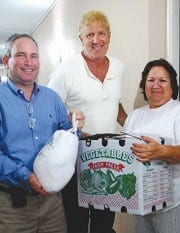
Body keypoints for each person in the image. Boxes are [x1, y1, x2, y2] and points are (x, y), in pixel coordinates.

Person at [0, 33, 84, 233]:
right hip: (12, 206)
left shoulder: (52, 98)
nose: (29, 62)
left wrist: (76, 129)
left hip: (52, 203)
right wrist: (24, 176)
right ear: (7, 61)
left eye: (34, 56)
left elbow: (65, 138)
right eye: (21, 55)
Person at [48, 10, 127, 233]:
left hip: (109, 156)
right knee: (77, 221)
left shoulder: (119, 68)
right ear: (80, 38)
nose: (96, 40)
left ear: (109, 36)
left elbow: (114, 101)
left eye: (101, 33)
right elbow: (49, 109)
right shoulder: (66, 69)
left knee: (105, 220)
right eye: (89, 34)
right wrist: (70, 123)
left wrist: (131, 125)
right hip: (75, 155)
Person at [123, 58, 180, 233]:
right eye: (151, 80)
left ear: (172, 86)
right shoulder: (135, 116)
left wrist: (161, 151)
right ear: (144, 85)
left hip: (177, 199)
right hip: (142, 202)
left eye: (162, 80)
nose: (156, 85)